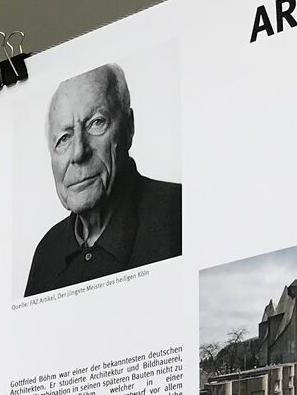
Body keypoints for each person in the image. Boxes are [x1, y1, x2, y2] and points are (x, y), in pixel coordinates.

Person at [25, 64, 182, 296]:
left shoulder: (180, 212)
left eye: (96, 123)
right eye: (64, 138)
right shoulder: (47, 252)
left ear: (129, 127)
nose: (79, 152)